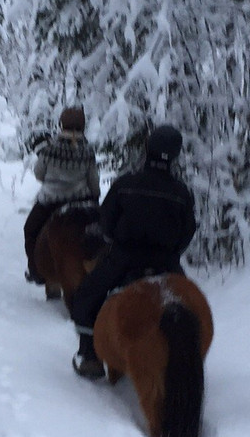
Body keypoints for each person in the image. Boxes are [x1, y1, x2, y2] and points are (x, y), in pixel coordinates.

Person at [69, 124, 197, 378]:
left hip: (124, 259)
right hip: (166, 262)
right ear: (174, 155)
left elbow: (106, 222)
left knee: (86, 296)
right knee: (189, 308)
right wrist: (171, 253)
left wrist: (115, 239)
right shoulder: (182, 192)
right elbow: (187, 233)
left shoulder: (125, 184)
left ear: (147, 149)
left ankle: (89, 356)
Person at [23, 106, 100, 284]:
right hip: (81, 203)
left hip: (50, 202)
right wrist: (94, 197)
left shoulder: (49, 149)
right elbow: (93, 182)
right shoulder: (87, 151)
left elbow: (39, 174)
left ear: (61, 124)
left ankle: (36, 271)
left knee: (30, 230)